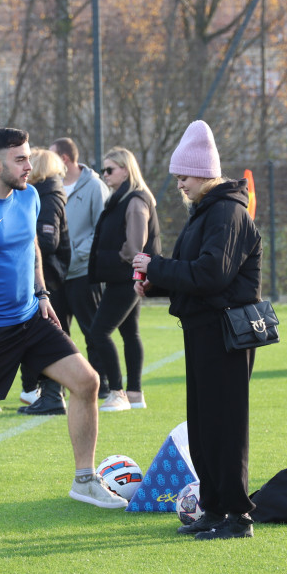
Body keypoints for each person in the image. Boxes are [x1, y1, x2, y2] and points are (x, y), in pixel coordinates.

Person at [0, 128, 127, 541]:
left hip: (32, 318)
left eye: (29, 157)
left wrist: (42, 293)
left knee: (87, 381)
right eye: (21, 159)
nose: (30, 165)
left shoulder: (29, 197)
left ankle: (84, 480)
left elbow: (33, 248)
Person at [132, 120, 262, 540]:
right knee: (204, 425)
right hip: (204, 330)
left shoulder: (227, 212)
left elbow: (211, 274)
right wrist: (155, 283)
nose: (180, 185)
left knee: (225, 426)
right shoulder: (206, 211)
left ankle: (237, 517)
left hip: (225, 334)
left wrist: (157, 267)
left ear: (204, 172)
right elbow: (193, 272)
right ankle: (214, 507)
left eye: (184, 176)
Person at [87, 147, 161, 411]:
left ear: (126, 170)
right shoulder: (122, 199)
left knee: (99, 332)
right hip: (126, 276)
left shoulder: (135, 200)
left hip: (127, 277)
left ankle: (118, 392)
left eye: (110, 169)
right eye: (103, 170)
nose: (105, 174)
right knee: (129, 332)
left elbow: (134, 247)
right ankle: (134, 394)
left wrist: (115, 260)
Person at [49, 138, 111, 400]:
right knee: (56, 334)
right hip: (56, 275)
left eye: (51, 156)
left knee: (92, 331)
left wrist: (75, 254)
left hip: (84, 273)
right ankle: (56, 390)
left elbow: (103, 229)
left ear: (64, 159)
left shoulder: (95, 186)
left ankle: (102, 384)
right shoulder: (50, 187)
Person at [16, 148, 71, 416]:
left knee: (48, 336)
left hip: (49, 278)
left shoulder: (48, 197)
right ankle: (45, 392)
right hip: (48, 277)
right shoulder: (43, 194)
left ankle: (52, 394)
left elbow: (48, 241)